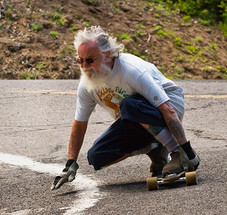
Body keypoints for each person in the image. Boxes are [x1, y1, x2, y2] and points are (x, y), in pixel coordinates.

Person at [51, 26, 200, 190]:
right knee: (96, 156)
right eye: (80, 60)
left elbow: (168, 109)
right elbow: (79, 123)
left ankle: (175, 152)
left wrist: (186, 151)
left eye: (90, 60)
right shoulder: (87, 84)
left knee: (129, 105)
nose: (85, 66)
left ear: (107, 54)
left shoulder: (131, 70)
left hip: (169, 107)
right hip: (137, 118)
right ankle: (156, 148)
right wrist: (70, 163)